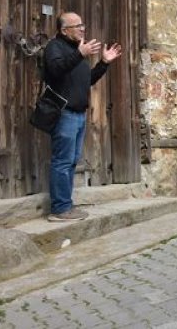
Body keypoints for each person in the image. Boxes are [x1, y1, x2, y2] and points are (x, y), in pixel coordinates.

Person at [44, 12, 122, 222]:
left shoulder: (76, 51)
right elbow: (55, 70)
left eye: (82, 25)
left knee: (71, 162)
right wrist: (80, 54)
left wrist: (104, 63)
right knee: (62, 162)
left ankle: (66, 205)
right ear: (64, 30)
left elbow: (87, 80)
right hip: (64, 114)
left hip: (78, 115)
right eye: (77, 26)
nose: (82, 29)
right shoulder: (54, 47)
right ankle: (60, 209)